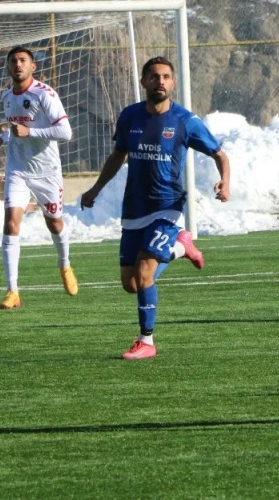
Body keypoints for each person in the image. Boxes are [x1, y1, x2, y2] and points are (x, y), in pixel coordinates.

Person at [80, 56, 230, 360]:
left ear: (172, 83)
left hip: (167, 206)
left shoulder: (185, 121)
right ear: (144, 82)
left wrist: (225, 182)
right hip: (134, 207)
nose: (160, 81)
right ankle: (180, 247)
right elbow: (118, 155)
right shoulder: (130, 117)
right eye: (154, 76)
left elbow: (220, 154)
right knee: (131, 283)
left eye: (165, 77)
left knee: (146, 273)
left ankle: (146, 341)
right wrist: (96, 188)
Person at [0, 46, 75, 310]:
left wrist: (29, 133)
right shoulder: (6, 96)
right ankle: (13, 291)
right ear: (8, 67)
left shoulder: (45, 94)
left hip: (47, 173)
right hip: (18, 170)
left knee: (55, 224)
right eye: (13, 61)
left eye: (23, 60)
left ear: (33, 66)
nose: (18, 65)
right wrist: (1, 140)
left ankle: (65, 265)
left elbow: (65, 132)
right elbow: (16, 130)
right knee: (11, 223)